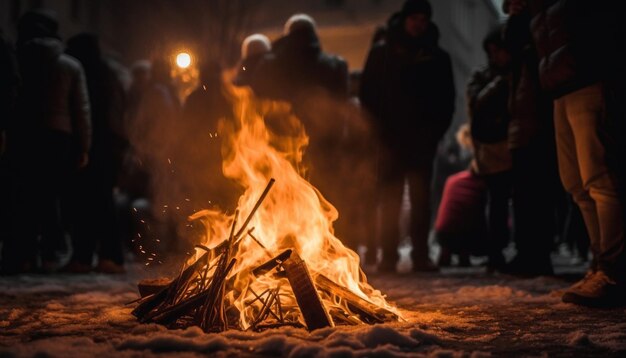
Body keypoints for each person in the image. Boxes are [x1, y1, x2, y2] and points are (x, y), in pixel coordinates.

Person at [528, 0, 625, 306]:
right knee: (576, 183)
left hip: (589, 75)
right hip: (560, 86)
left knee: (600, 177)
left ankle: (614, 271)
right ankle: (599, 266)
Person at [359, 0, 456, 272]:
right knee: (389, 200)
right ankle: (388, 257)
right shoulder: (382, 54)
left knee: (421, 201)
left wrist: (434, 134)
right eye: (413, 18)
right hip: (388, 142)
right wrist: (376, 132)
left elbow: (446, 101)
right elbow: (368, 96)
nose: (418, 24)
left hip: (421, 143)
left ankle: (420, 256)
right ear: (404, 20)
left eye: (422, 19)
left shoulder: (437, 57)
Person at [2, 9, 91, 273]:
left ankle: (24, 255)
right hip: (58, 138)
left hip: (24, 135)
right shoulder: (70, 65)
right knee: (51, 195)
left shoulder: (19, 58)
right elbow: (81, 108)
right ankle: (52, 253)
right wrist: (84, 146)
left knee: (24, 195)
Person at [500, 0, 564, 277]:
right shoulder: (523, 36)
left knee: (537, 192)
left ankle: (536, 254)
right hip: (524, 121)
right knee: (524, 193)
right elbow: (510, 43)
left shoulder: (539, 32)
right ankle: (528, 252)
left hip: (537, 120)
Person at [62, 33, 127, 274]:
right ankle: (103, 256)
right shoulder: (107, 73)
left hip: (97, 147)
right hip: (108, 147)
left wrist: (85, 146)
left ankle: (96, 256)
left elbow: (90, 112)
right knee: (98, 203)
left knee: (90, 203)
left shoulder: (91, 74)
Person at [466, 25, 513, 271]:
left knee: (518, 200)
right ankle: (495, 252)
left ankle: (519, 250)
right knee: (496, 201)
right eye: (492, 51)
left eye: (500, 50)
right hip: (491, 147)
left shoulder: (519, 73)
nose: (496, 56)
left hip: (514, 143)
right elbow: (476, 104)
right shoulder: (484, 76)